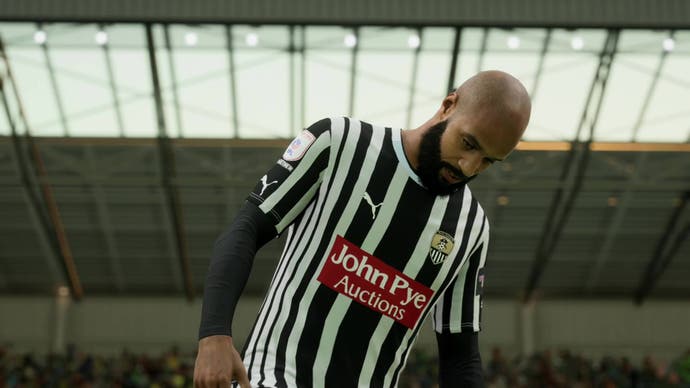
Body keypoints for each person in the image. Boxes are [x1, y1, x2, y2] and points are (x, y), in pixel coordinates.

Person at [193, 70, 531, 388]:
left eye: (488, 160)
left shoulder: (471, 227)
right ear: (447, 106)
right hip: (276, 377)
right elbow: (247, 228)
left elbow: (460, 354)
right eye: (469, 144)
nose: (469, 167)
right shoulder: (339, 143)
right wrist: (214, 335)